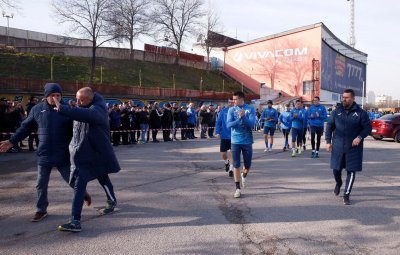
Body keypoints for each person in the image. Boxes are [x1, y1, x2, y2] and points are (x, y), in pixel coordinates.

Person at [0, 83, 91, 222]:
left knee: (72, 180)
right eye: (53, 95)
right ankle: (41, 210)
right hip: (45, 154)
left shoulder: (67, 110)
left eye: (58, 95)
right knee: (41, 183)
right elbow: (25, 128)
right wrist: (11, 141)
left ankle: (83, 194)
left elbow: (80, 130)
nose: (56, 98)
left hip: (63, 154)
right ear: (46, 96)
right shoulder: (37, 110)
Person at [54, 87, 120, 232]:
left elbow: (89, 115)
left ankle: (77, 220)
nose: (77, 102)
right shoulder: (81, 106)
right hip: (83, 155)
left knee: (102, 179)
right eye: (76, 98)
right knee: (80, 185)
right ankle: (76, 220)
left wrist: (63, 109)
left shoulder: (99, 109)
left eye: (81, 100)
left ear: (90, 99)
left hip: (97, 153)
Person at [325, 89, 371, 205]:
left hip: (353, 148)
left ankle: (346, 194)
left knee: (351, 171)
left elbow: (367, 128)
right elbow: (329, 126)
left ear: (353, 99)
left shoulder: (361, 113)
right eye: (343, 97)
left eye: (346, 97)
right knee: (336, 170)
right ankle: (339, 183)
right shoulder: (336, 112)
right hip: (338, 146)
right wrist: (328, 141)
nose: (343, 99)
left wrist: (359, 137)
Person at [227, 91, 255, 198]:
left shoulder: (250, 109)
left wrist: (244, 117)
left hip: (247, 141)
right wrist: (239, 119)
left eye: (235, 99)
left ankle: (244, 175)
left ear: (241, 99)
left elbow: (252, 125)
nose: (233, 101)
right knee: (236, 165)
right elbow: (229, 125)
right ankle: (237, 188)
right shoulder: (231, 110)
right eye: (233, 99)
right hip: (235, 141)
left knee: (247, 165)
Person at [215, 98, 234, 177]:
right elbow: (218, 123)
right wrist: (217, 132)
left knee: (233, 154)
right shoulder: (223, 111)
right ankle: (226, 163)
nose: (231, 103)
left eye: (232, 102)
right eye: (229, 102)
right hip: (224, 136)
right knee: (223, 154)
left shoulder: (237, 111)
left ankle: (231, 170)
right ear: (228, 102)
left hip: (234, 137)